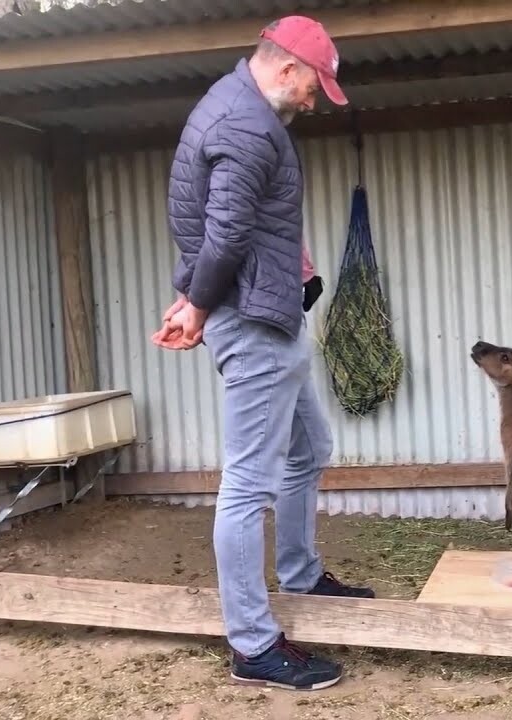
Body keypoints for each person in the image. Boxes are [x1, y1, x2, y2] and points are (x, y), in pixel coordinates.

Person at [151, 15, 374, 692]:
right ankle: (253, 644)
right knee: (249, 483)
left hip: (267, 312)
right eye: (313, 87)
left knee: (309, 450)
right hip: (251, 321)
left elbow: (218, 226)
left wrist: (194, 295)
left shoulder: (232, 105)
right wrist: (198, 303)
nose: (313, 101)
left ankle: (302, 577)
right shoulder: (248, 129)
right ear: (285, 70)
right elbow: (222, 234)